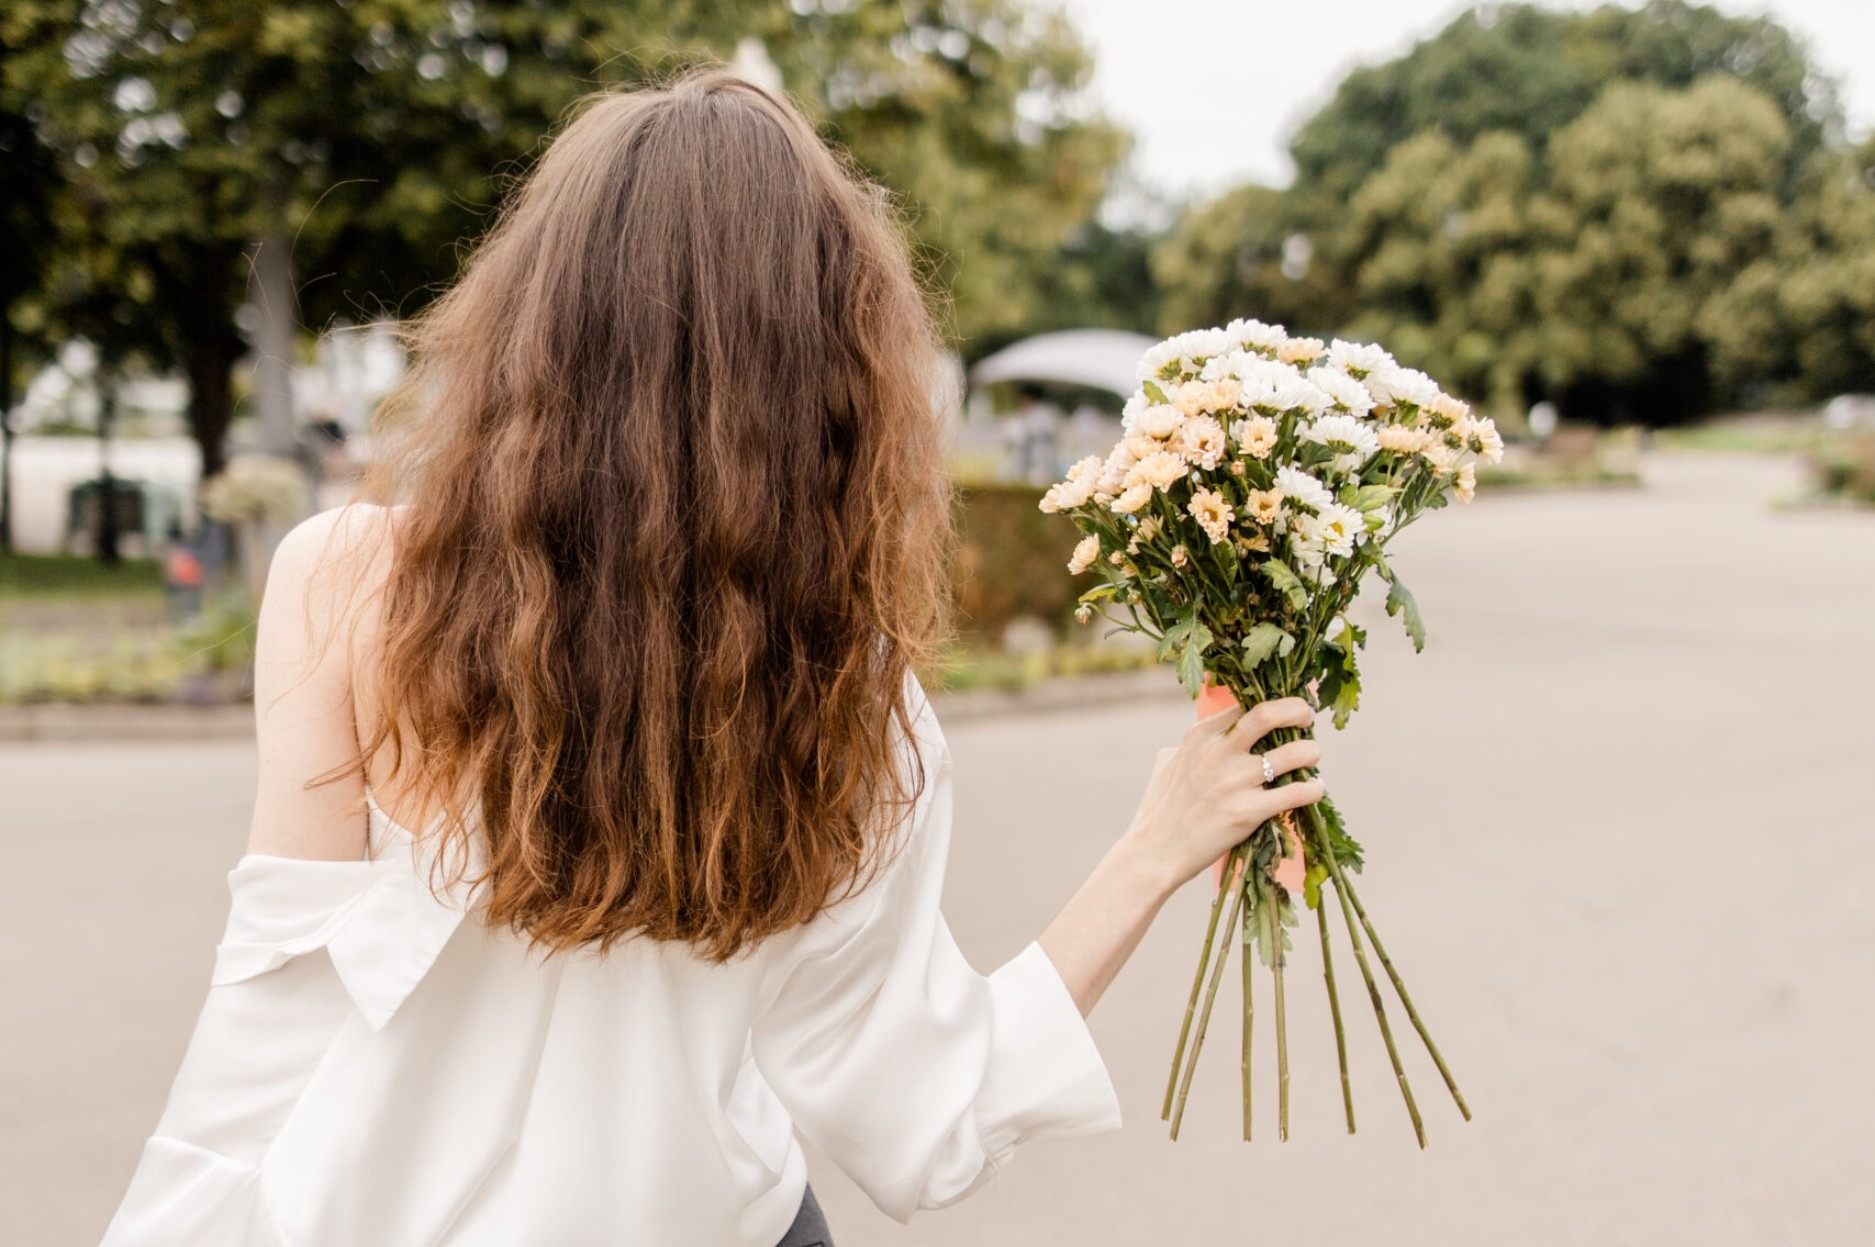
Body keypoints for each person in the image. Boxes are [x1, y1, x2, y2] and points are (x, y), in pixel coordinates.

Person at [101, 68, 1324, 1247]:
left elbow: (267, 1017)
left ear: (532, 322)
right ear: (835, 386)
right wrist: (1158, 843)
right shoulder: (849, 695)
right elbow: (925, 1115)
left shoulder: (347, 584)